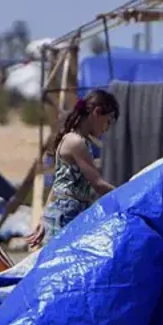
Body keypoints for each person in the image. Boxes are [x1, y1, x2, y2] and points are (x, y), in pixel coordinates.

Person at [26, 89, 120, 249]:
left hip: (68, 216)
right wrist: (128, 194)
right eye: (108, 121)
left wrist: (44, 217)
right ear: (97, 112)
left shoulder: (80, 141)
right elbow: (98, 184)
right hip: (65, 219)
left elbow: (59, 185)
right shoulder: (76, 143)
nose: (107, 128)